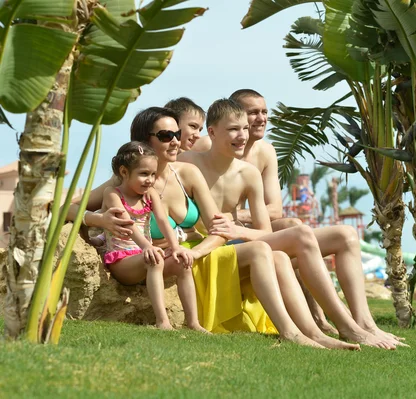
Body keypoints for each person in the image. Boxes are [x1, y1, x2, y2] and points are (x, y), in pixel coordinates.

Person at [66, 107, 350, 349]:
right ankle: (292, 333)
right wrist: (98, 220)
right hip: (164, 263)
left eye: (177, 134)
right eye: (166, 136)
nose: (177, 141)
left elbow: (219, 229)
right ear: (144, 141)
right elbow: (65, 207)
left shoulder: (187, 173)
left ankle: (310, 332)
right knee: (265, 250)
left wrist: (197, 252)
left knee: (274, 253)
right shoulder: (122, 183)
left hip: (192, 255)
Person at [180, 99, 401, 349]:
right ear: (211, 132)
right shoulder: (189, 162)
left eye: (244, 128)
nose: (241, 135)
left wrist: (235, 228)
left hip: (237, 243)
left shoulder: (249, 173)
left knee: (306, 245)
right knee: (301, 234)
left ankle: (334, 328)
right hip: (205, 248)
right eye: (233, 129)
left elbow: (264, 229)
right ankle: (347, 327)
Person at [98, 141, 193, 330]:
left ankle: (193, 323)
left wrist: (175, 248)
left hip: (146, 258)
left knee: (183, 262)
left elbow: (163, 221)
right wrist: (147, 247)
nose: (149, 179)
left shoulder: (150, 194)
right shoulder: (112, 194)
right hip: (122, 262)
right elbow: (128, 224)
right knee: (155, 259)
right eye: (143, 174)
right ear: (124, 172)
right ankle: (163, 322)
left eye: (152, 174)